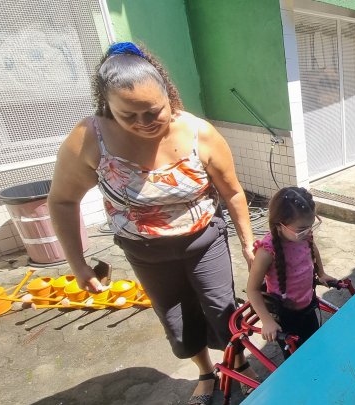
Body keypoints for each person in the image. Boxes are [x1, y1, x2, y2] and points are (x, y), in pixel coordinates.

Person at [48, 42, 258, 405]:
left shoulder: (199, 133)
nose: (144, 123)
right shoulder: (89, 139)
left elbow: (233, 192)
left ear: (168, 96)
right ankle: (205, 373)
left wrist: (248, 243)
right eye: (128, 115)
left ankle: (238, 362)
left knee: (221, 308)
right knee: (176, 319)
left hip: (204, 242)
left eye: (153, 111)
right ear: (106, 105)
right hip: (145, 252)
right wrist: (77, 263)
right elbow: (63, 200)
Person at [245, 187, 337, 355]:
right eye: (301, 229)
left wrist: (321, 273)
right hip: (285, 315)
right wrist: (267, 321)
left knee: (316, 345)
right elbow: (252, 290)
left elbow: (313, 249)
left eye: (310, 226)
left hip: (308, 304)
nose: (308, 232)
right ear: (279, 225)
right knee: (296, 357)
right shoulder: (266, 252)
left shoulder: (304, 236)